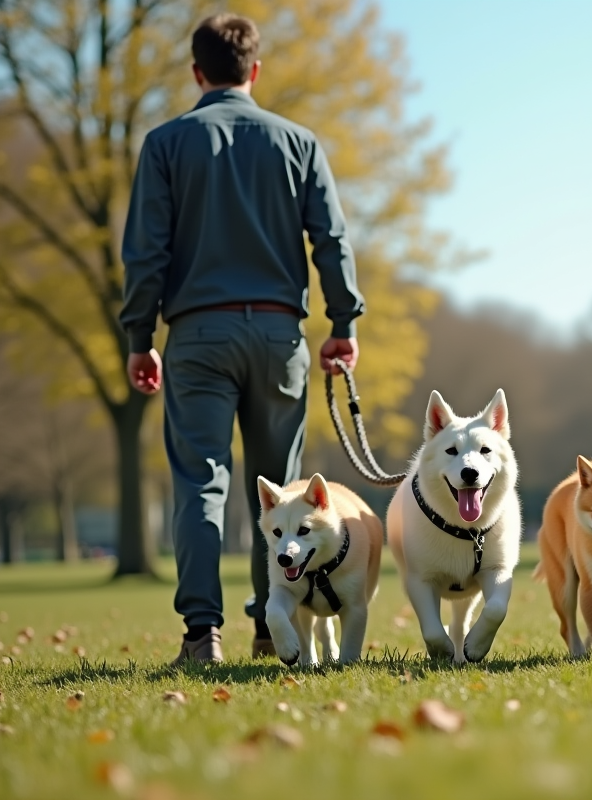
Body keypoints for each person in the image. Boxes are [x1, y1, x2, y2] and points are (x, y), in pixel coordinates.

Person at [120, 13, 364, 664]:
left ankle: (202, 635)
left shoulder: (166, 144)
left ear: (197, 73)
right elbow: (332, 242)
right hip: (279, 335)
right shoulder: (299, 142)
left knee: (201, 482)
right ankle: (270, 625)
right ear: (255, 71)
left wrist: (139, 335)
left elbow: (144, 253)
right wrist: (342, 325)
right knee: (279, 488)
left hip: (197, 335)